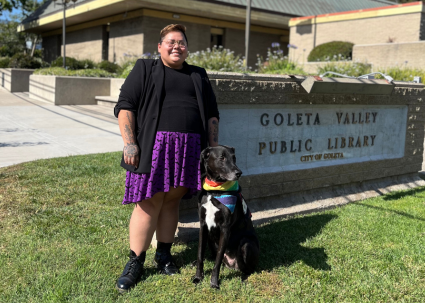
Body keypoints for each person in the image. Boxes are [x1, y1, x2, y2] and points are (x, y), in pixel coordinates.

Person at [113, 24, 220, 293]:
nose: (176, 46)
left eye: (181, 42)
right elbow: (125, 106)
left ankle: (163, 255)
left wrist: (213, 151)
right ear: (160, 46)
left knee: (171, 201)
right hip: (153, 146)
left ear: (187, 48)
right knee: (148, 202)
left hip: (189, 148)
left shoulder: (198, 74)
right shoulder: (145, 68)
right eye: (171, 42)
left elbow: (212, 115)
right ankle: (135, 263)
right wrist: (130, 144)